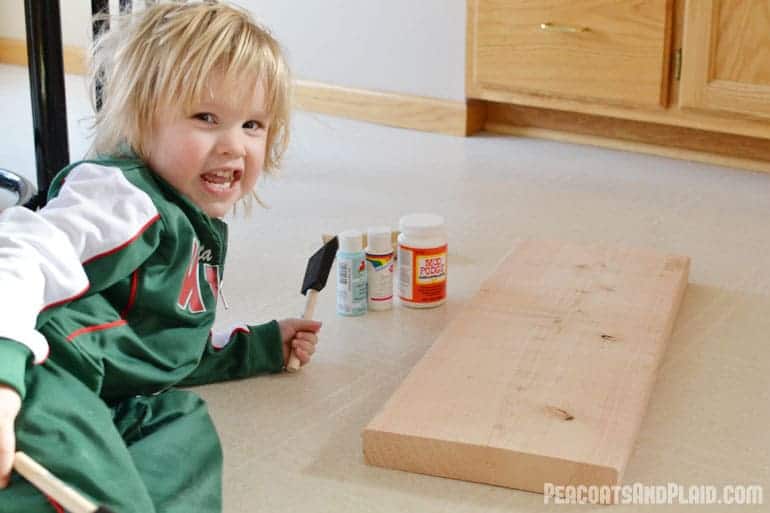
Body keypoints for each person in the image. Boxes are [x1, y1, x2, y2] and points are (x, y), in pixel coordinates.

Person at [0, 3, 320, 512]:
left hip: (98, 397)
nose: (233, 145)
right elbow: (18, 248)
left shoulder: (193, 224)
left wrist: (256, 348)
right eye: (206, 118)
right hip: (39, 375)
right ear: (141, 118)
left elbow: (159, 344)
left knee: (182, 423)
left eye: (253, 125)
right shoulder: (121, 195)